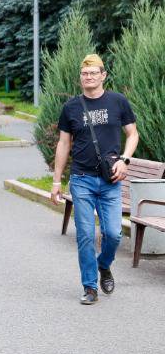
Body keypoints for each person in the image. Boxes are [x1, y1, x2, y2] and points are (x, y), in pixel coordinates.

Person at [50, 54, 139, 304]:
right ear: (80, 77)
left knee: (113, 234)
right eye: (84, 73)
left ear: (103, 75)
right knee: (86, 235)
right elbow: (63, 144)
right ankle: (90, 287)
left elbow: (133, 134)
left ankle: (104, 265)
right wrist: (56, 182)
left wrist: (125, 160)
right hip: (82, 179)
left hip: (110, 180)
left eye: (93, 73)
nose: (88, 77)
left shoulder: (118, 102)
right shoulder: (71, 107)